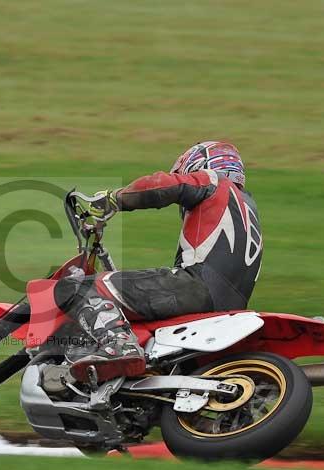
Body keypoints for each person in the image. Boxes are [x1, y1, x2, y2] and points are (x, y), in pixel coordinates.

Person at [54, 141, 263, 383]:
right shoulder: (247, 206)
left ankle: (119, 346)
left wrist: (113, 199)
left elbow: (160, 186)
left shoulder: (214, 181)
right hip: (230, 306)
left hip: (196, 286)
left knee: (76, 287)